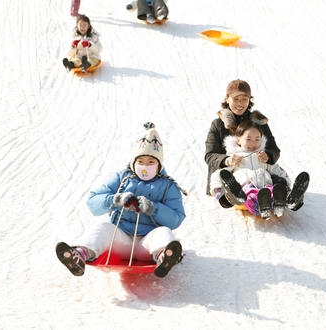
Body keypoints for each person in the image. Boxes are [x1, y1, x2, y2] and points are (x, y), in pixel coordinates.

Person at [56, 122, 187, 278]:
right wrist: (115, 199)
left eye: (151, 162)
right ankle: (79, 254)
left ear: (159, 164)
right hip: (120, 240)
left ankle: (164, 256)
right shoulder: (122, 178)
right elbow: (93, 203)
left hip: (147, 242)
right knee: (103, 228)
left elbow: (176, 219)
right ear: (133, 162)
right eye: (140, 161)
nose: (145, 166)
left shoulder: (167, 185)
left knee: (164, 232)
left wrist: (154, 208)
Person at [205, 79, 309, 212]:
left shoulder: (258, 123)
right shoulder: (218, 125)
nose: (240, 103)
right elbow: (210, 155)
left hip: (259, 170)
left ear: (249, 100)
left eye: (244, 99)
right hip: (232, 171)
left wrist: (268, 156)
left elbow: (273, 149)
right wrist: (227, 160)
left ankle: (288, 196)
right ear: (227, 99)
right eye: (236, 98)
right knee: (231, 179)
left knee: (276, 176)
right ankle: (232, 195)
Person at [209, 121, 291, 219]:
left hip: (264, 186)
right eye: (248, 139)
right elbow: (220, 174)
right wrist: (218, 191)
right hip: (244, 190)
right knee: (251, 194)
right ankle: (257, 205)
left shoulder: (262, 156)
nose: (253, 143)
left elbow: (277, 169)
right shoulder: (234, 158)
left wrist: (285, 182)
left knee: (271, 190)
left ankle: (280, 202)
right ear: (238, 140)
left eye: (257, 139)